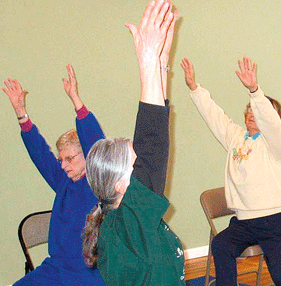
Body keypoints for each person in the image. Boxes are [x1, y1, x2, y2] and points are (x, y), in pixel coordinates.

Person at [181, 57, 281, 286]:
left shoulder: (274, 145)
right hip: (246, 222)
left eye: (256, 111)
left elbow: (269, 121)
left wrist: (254, 91)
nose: (252, 113)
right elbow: (215, 117)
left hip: (278, 222)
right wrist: (194, 88)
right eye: (249, 109)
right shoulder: (236, 138)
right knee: (221, 245)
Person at [80, 1, 184, 285]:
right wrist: (147, 62)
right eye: (134, 162)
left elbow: (156, 132)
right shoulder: (128, 225)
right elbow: (154, 144)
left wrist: (161, 63)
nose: (142, 164)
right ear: (119, 185)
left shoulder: (124, 222)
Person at [1, 64, 106, 286]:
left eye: (70, 158)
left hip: (90, 272)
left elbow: (96, 141)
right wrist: (21, 113)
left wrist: (77, 101)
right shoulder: (63, 181)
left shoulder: (98, 183)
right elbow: (39, 153)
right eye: (61, 159)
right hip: (57, 269)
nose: (64, 165)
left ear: (86, 156)